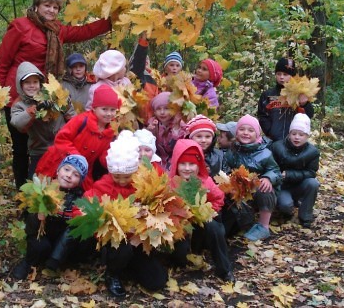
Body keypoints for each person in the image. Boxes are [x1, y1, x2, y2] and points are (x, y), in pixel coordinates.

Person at [0, 0, 113, 190]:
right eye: (47, 5)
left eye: (55, 7)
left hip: (46, 97)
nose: (51, 10)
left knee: (47, 144)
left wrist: (111, 21)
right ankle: (24, 192)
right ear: (37, 6)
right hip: (17, 96)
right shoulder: (20, 27)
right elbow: (2, 62)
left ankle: (48, 189)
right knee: (21, 148)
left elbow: (83, 32)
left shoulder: (57, 30)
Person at [84, 131, 168, 297]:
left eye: (126, 177)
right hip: (116, 242)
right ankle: (113, 272)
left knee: (157, 281)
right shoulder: (103, 186)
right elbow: (85, 207)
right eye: (117, 177)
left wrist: (148, 214)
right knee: (121, 249)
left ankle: (131, 267)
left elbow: (160, 203)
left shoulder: (144, 184)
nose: (122, 181)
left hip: (139, 240)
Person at [11, 155, 92, 280]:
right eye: (66, 169)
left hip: (63, 243)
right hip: (43, 234)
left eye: (76, 175)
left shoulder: (80, 199)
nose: (69, 175)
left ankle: (57, 261)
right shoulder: (43, 191)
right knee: (39, 245)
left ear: (80, 181)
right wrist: (38, 217)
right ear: (58, 170)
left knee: (79, 228)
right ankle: (28, 262)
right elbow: (30, 227)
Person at [168, 139, 234, 282]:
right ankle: (179, 259)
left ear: (198, 166)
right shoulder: (171, 184)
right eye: (182, 164)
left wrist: (209, 211)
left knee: (214, 228)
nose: (187, 168)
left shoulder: (205, 182)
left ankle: (224, 269)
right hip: (181, 226)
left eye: (191, 164)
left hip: (202, 224)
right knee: (180, 255)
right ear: (176, 164)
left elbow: (218, 197)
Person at [36, 84, 119, 191]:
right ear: (94, 108)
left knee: (82, 199)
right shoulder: (82, 120)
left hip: (83, 171)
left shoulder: (110, 130)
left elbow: (104, 154)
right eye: (104, 109)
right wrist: (77, 158)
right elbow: (61, 138)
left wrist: (114, 162)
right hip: (61, 162)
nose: (109, 114)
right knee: (48, 192)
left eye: (112, 110)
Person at [10, 62, 75, 182]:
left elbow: (71, 116)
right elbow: (18, 123)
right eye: (27, 82)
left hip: (62, 147)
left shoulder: (53, 95)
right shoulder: (19, 104)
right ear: (20, 85)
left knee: (64, 182)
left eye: (35, 82)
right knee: (37, 184)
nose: (31, 86)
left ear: (40, 83)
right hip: (39, 151)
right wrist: (35, 109)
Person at [223, 115, 282, 241]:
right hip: (240, 190)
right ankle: (243, 222)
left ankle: (263, 225)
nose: (245, 133)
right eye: (242, 129)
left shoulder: (265, 153)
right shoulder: (232, 152)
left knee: (264, 187)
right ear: (236, 132)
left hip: (258, 190)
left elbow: (275, 171)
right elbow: (226, 169)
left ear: (257, 134)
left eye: (250, 130)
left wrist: (268, 177)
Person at [270, 113, 320, 228]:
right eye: (294, 134)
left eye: (301, 135)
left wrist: (289, 174)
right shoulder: (277, 146)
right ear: (289, 134)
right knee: (286, 207)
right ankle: (285, 207)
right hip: (281, 185)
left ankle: (305, 216)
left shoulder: (313, 152)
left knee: (313, 183)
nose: (297, 137)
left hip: (300, 184)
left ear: (307, 136)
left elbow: (311, 172)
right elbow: (270, 166)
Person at [257, 57, 315, 141]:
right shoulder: (267, 95)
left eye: (285, 74)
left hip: (294, 140)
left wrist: (304, 104)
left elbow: (309, 115)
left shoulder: (300, 93)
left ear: (292, 76)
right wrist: (270, 131)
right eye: (279, 74)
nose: (281, 77)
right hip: (273, 140)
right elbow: (262, 115)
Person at [146, 92, 186, 170]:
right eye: (158, 109)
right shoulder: (153, 123)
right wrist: (150, 132)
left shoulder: (180, 124)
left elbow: (179, 145)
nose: (162, 112)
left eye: (166, 108)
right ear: (154, 111)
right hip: (157, 158)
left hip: (175, 159)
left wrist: (176, 128)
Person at [129, 33, 160, 124]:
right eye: (143, 59)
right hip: (140, 121)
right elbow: (139, 61)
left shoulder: (156, 78)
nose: (145, 60)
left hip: (155, 121)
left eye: (147, 59)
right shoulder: (137, 76)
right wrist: (143, 42)